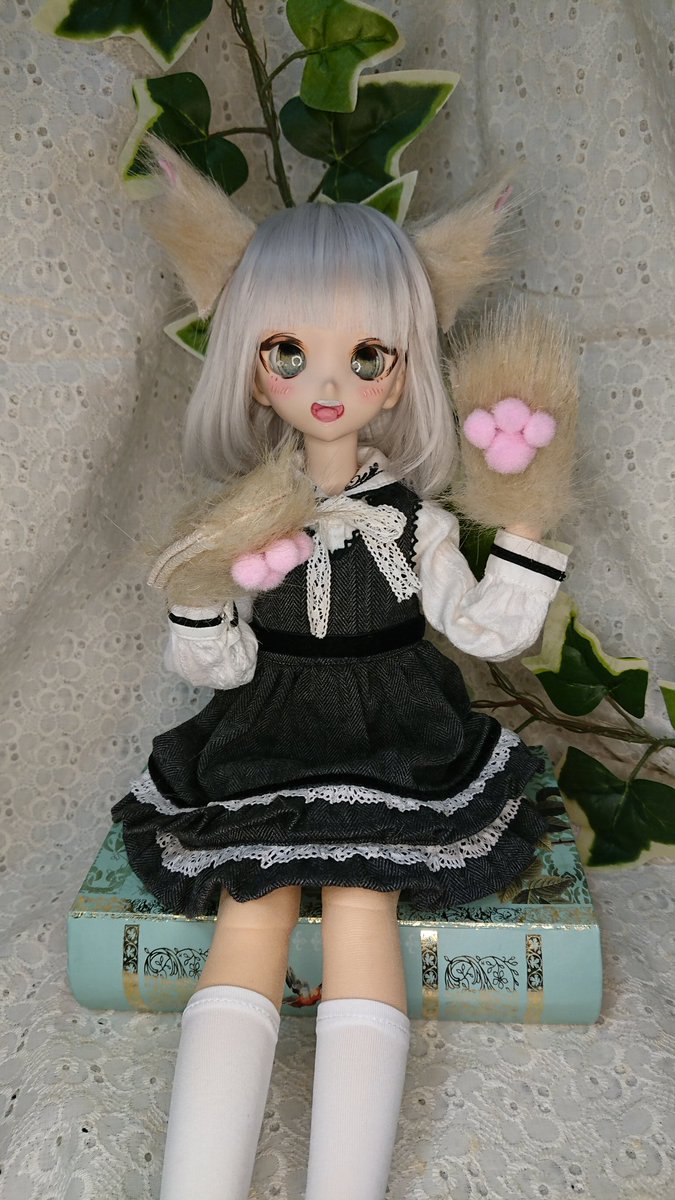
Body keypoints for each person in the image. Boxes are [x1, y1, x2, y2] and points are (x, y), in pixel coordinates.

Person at [112, 145, 573, 1200]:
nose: (329, 385)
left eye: (368, 356)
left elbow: (480, 627)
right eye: (289, 351)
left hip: (396, 726)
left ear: (405, 368)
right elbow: (217, 658)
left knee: (364, 908)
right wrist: (202, 595)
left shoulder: (416, 519)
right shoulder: (242, 513)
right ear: (248, 361)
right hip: (268, 724)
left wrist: (526, 530)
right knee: (251, 912)